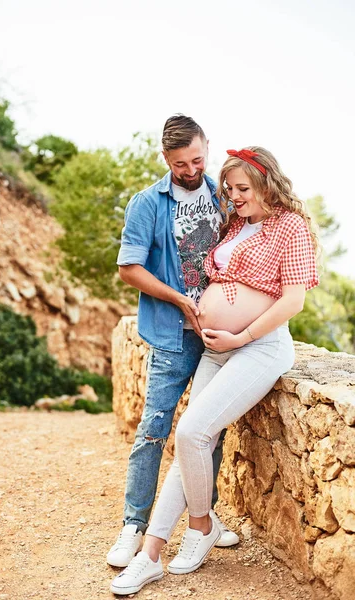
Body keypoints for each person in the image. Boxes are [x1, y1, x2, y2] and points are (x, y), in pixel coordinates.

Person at [110, 146, 319, 595]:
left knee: (189, 434)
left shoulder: (290, 227)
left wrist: (240, 337)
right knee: (193, 444)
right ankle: (150, 554)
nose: (233, 196)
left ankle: (201, 525)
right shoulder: (236, 224)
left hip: (259, 348)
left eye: (242, 189)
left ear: (267, 184)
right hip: (217, 348)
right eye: (229, 189)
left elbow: (293, 301)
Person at [107, 115, 239, 570]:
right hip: (171, 334)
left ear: (207, 147)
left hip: (221, 337)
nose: (189, 169)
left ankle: (206, 520)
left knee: (208, 432)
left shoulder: (224, 195)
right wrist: (180, 300)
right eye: (180, 163)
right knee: (154, 431)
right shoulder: (146, 203)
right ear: (165, 159)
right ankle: (134, 526)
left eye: (197, 159)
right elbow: (129, 268)